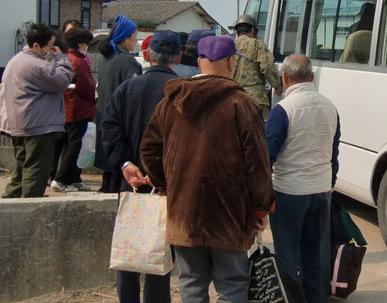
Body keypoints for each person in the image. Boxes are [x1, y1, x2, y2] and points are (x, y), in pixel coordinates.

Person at [140, 35, 274, 303]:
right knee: (233, 286)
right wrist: (261, 207)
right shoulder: (243, 104)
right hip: (230, 215)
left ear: (200, 61)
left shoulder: (171, 102)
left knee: (191, 283)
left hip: (184, 211)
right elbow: (258, 164)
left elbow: (149, 150)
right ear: (230, 62)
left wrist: (167, 186)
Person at [102, 30, 182, 303]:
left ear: (147, 55)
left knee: (130, 245)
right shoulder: (182, 90)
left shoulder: (127, 88)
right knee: (159, 252)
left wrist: (125, 163)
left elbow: (109, 127)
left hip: (131, 180)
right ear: (179, 56)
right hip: (167, 185)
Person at [265, 53, 340, 303]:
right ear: (312, 76)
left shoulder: (282, 110)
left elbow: (268, 156)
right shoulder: (330, 106)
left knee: (287, 258)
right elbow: (334, 151)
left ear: (284, 78)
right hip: (320, 192)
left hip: (288, 193)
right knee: (317, 256)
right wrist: (330, 182)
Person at [1, 24, 74, 198]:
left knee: (21, 166)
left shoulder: (15, 60)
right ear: (36, 46)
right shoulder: (35, 64)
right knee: (37, 167)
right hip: (38, 124)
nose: (51, 50)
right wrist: (60, 58)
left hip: (18, 122)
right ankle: (31, 204)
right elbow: (62, 79)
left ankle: (12, 200)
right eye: (49, 46)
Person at [95, 15, 141, 193]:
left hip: (103, 119)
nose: (135, 41)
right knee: (119, 177)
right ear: (126, 38)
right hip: (120, 124)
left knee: (107, 172)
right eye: (134, 36)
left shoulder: (106, 59)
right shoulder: (128, 62)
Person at [50, 27, 96, 192]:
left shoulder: (65, 59)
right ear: (81, 44)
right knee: (75, 145)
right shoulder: (78, 62)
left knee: (71, 144)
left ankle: (74, 178)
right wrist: (94, 99)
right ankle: (62, 179)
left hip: (66, 109)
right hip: (79, 109)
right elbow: (88, 87)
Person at [232, 15, 282, 121]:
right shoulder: (256, 44)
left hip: (234, 98)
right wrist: (277, 85)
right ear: (253, 30)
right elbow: (267, 66)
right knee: (259, 134)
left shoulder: (230, 46)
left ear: (236, 32)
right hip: (256, 99)